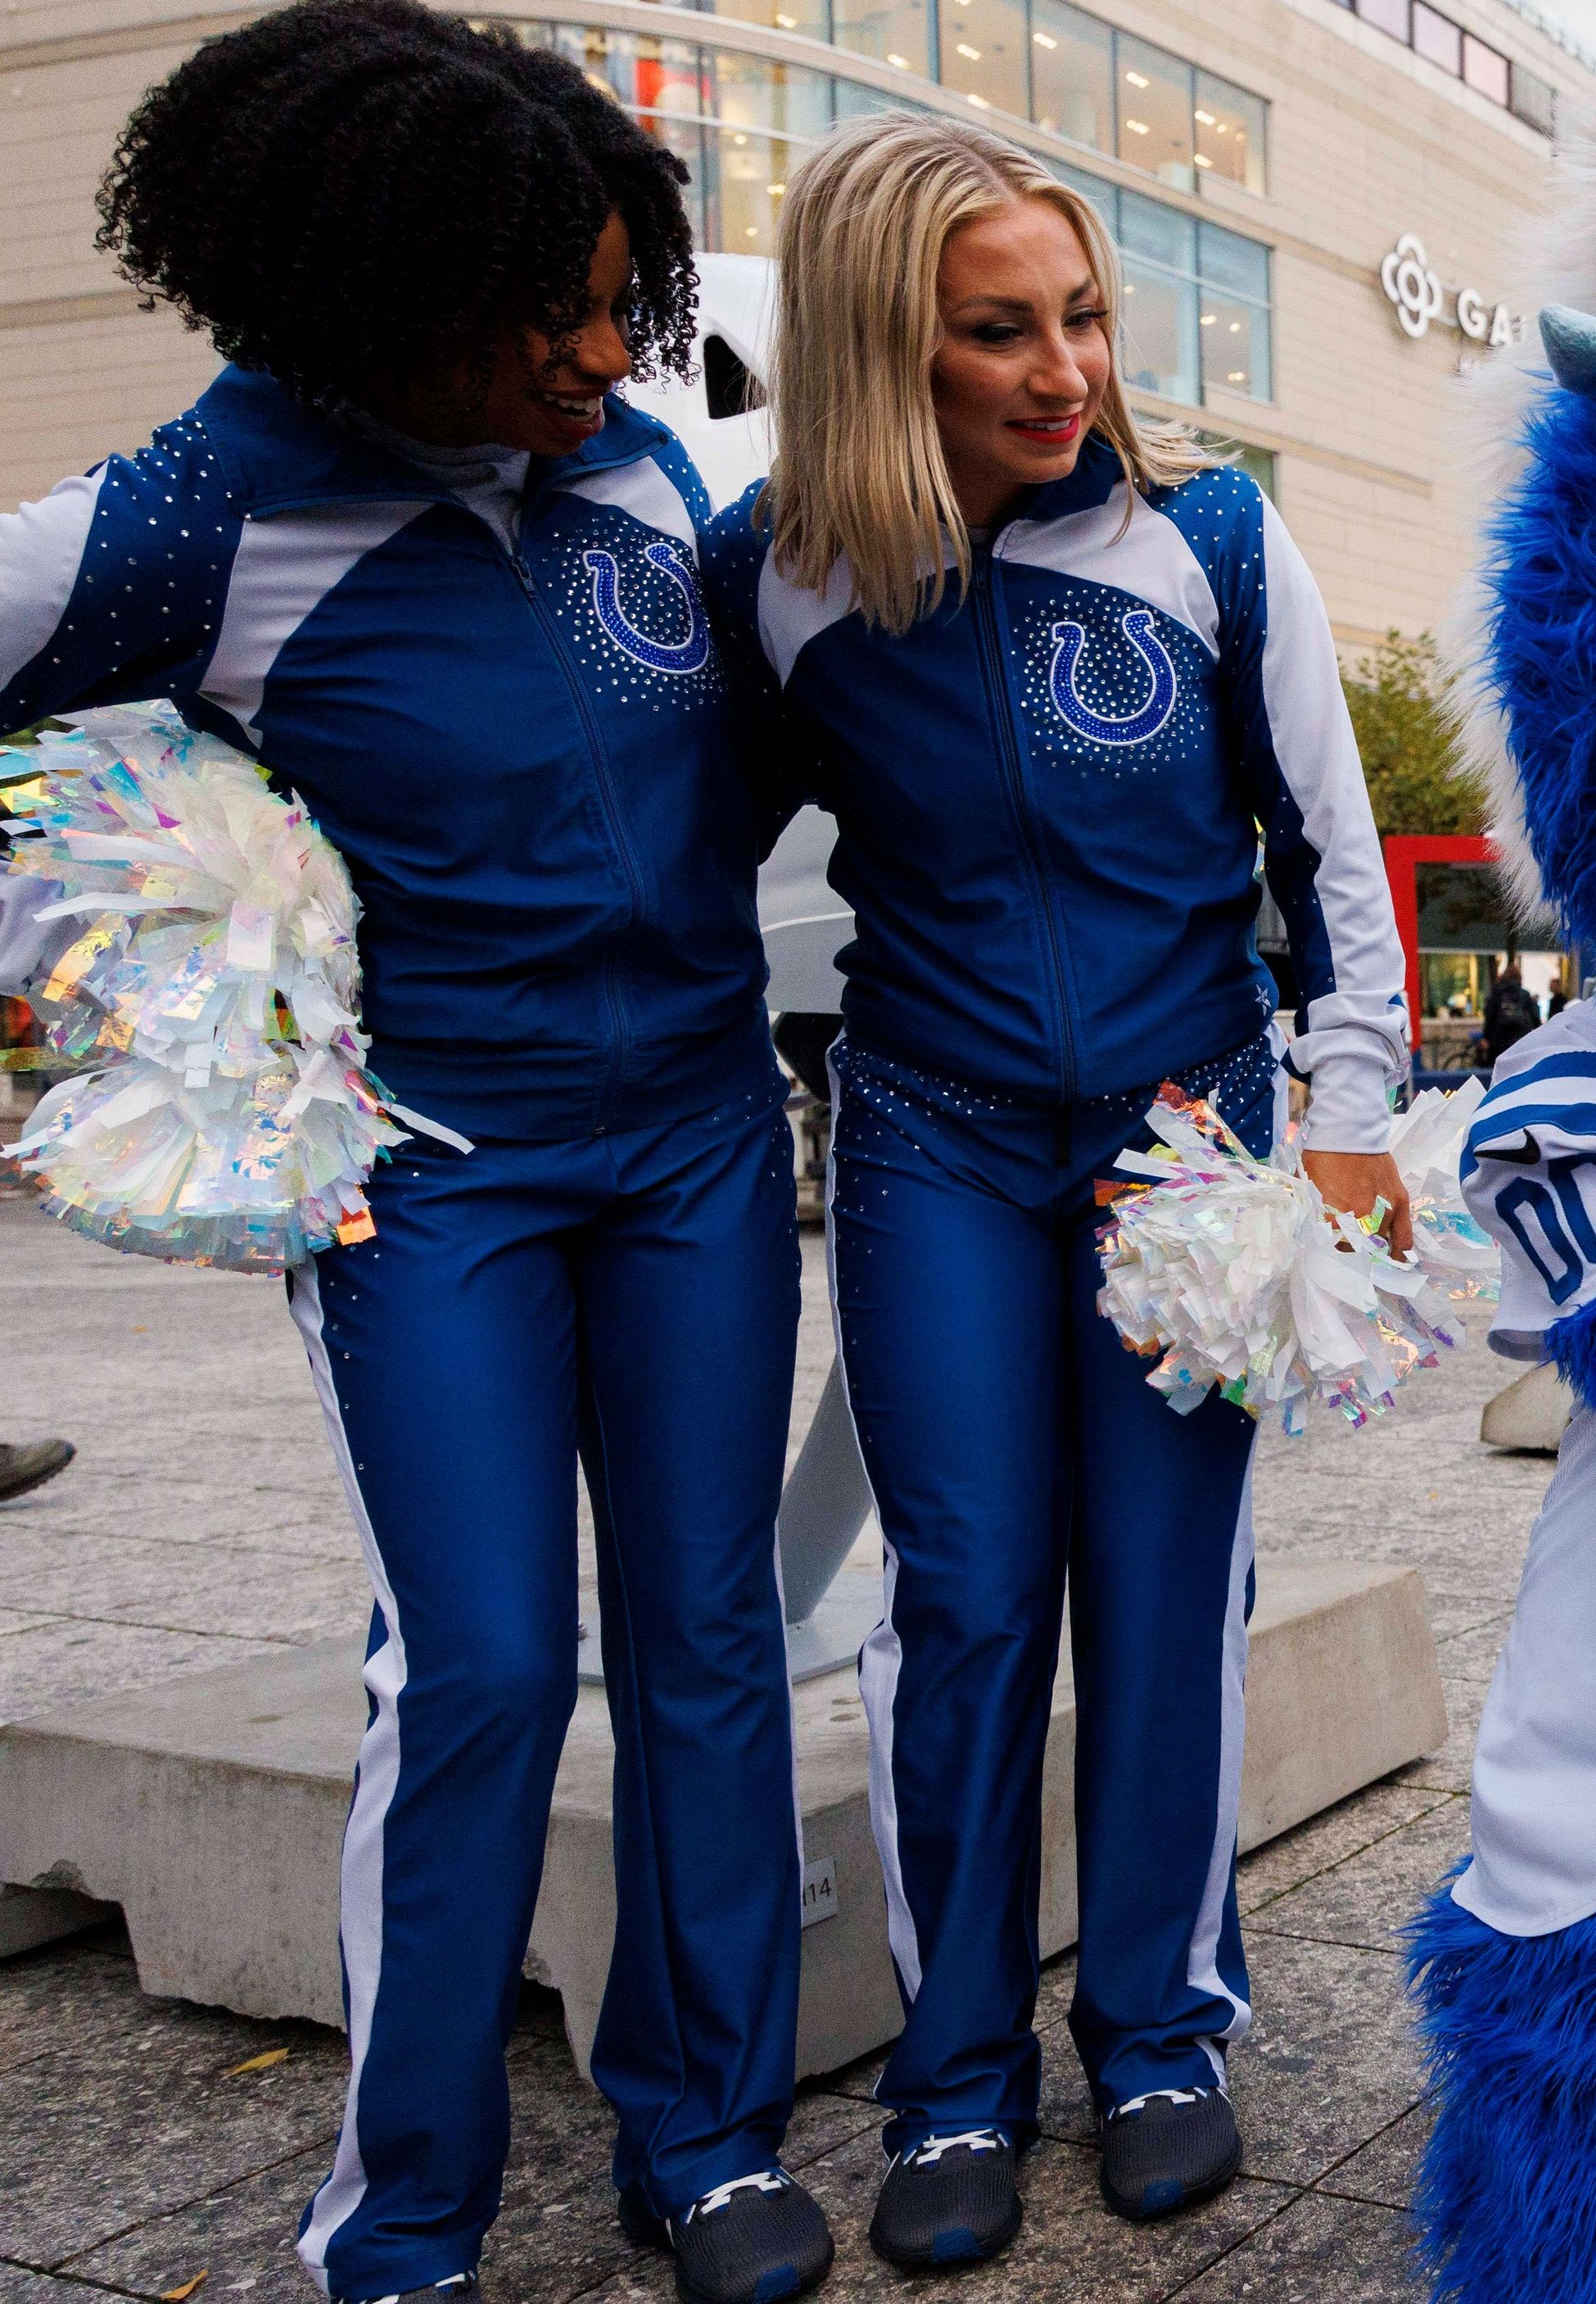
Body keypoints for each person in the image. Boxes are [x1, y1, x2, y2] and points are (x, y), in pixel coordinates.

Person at [4, 9, 830, 2301]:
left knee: (706, 1633)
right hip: (432, 1170)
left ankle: (710, 2130)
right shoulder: (198, 511)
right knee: (473, 1660)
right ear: (372, 303)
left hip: (693, 1144)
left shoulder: (652, 474)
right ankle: (408, 2211)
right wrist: (112, 958)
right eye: (534, 314)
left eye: (612, 295)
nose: (597, 352)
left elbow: (729, 764)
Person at [722, 111, 1411, 2270]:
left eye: (1084, 317)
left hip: (1187, 1134)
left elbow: (1332, 859)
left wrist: (1357, 1094)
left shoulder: (1218, 537)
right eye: (995, 332)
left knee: (1162, 1586)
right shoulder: (781, 572)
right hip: (931, 1133)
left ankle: (1155, 2026)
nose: (1064, 368)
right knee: (972, 1598)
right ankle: (955, 2070)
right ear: (874, 352)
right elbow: (651, 848)